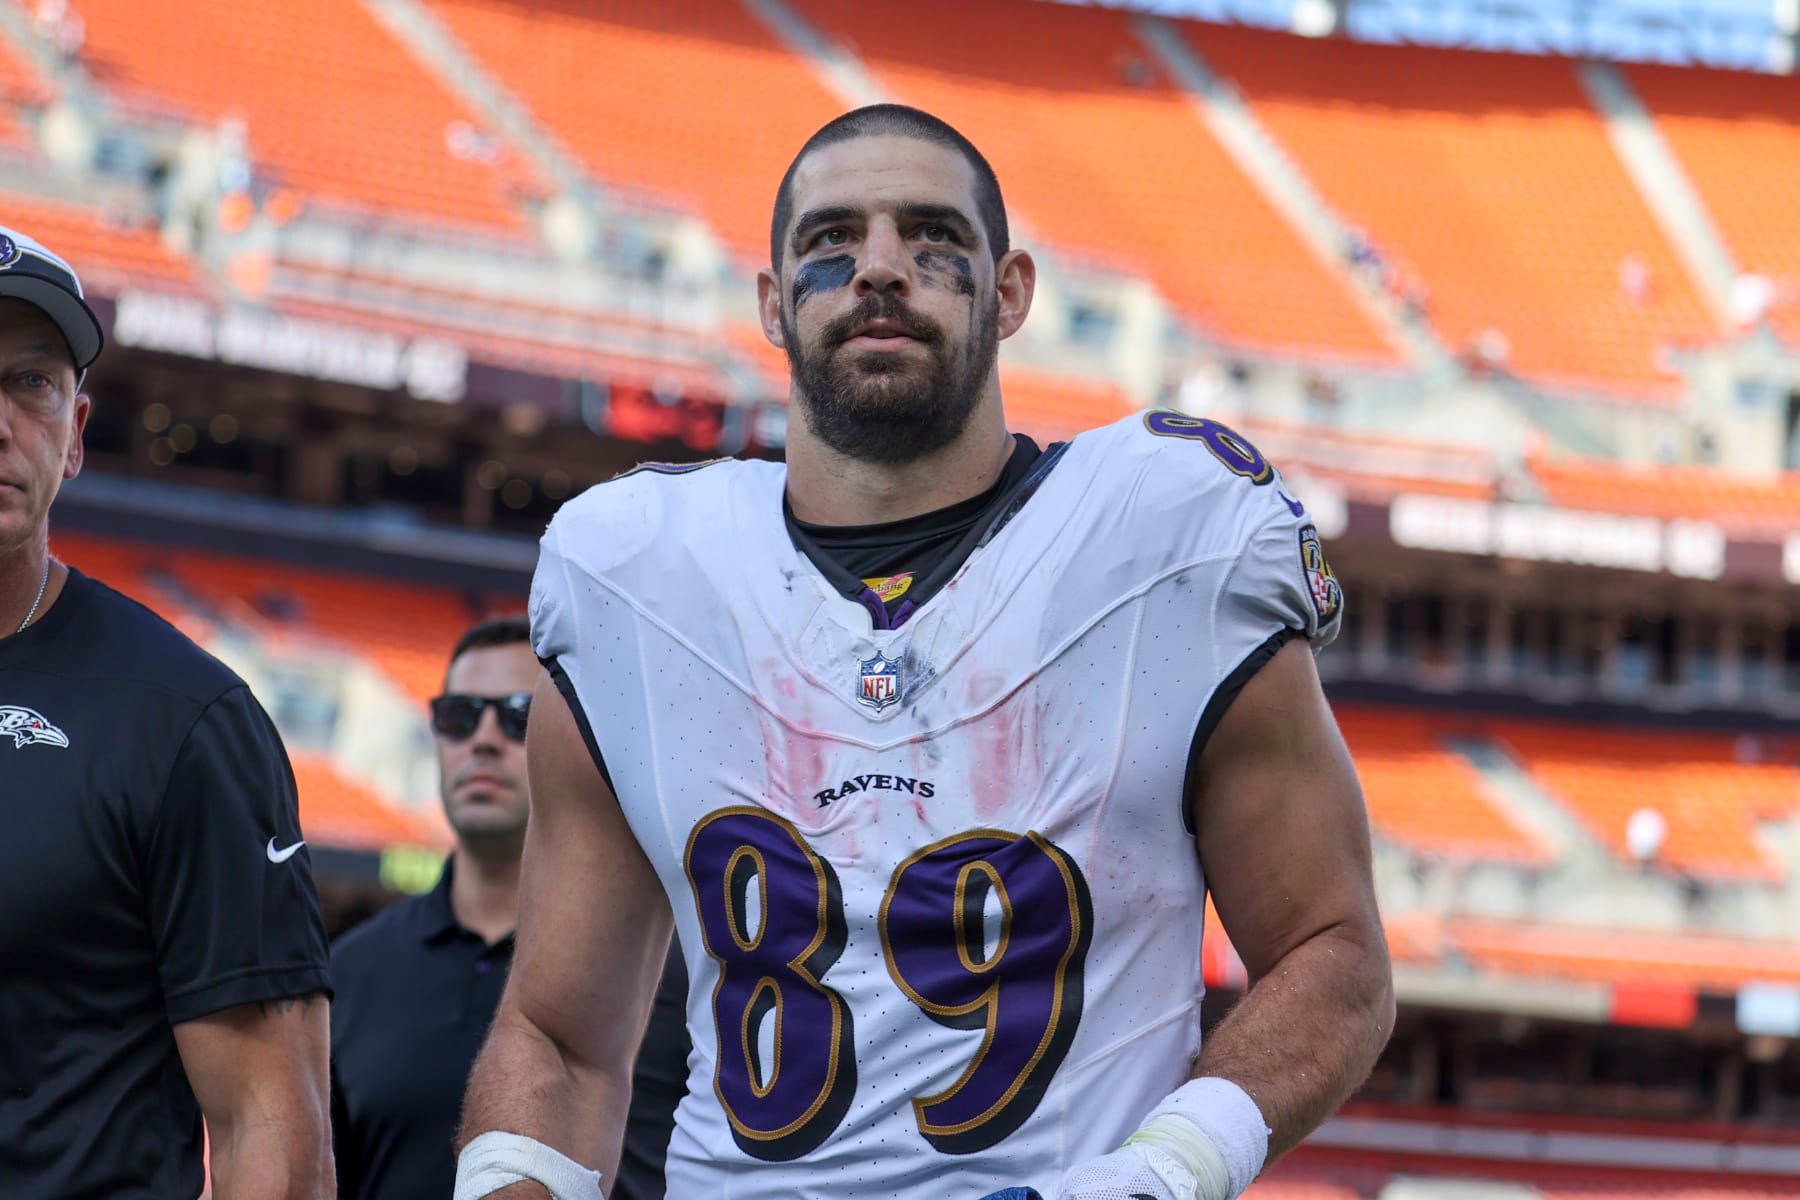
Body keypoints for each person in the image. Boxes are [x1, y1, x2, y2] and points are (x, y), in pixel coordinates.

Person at [457, 105, 1394, 1200]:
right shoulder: (638, 578)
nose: (881, 269)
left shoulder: (1159, 539)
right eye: (831, 241)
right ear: (771, 302)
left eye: (931, 236)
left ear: (1010, 292)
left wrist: (1161, 1173)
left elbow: (1334, 955)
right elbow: (560, 1038)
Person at [0, 224, 333, 1197]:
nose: (2, 422)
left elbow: (273, 1129)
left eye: (31, 385)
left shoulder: (183, 719)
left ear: (76, 435)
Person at [331, 616, 690, 1200]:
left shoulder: (667, 963)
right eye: (459, 716)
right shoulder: (350, 971)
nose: (484, 739)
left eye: (518, 714)